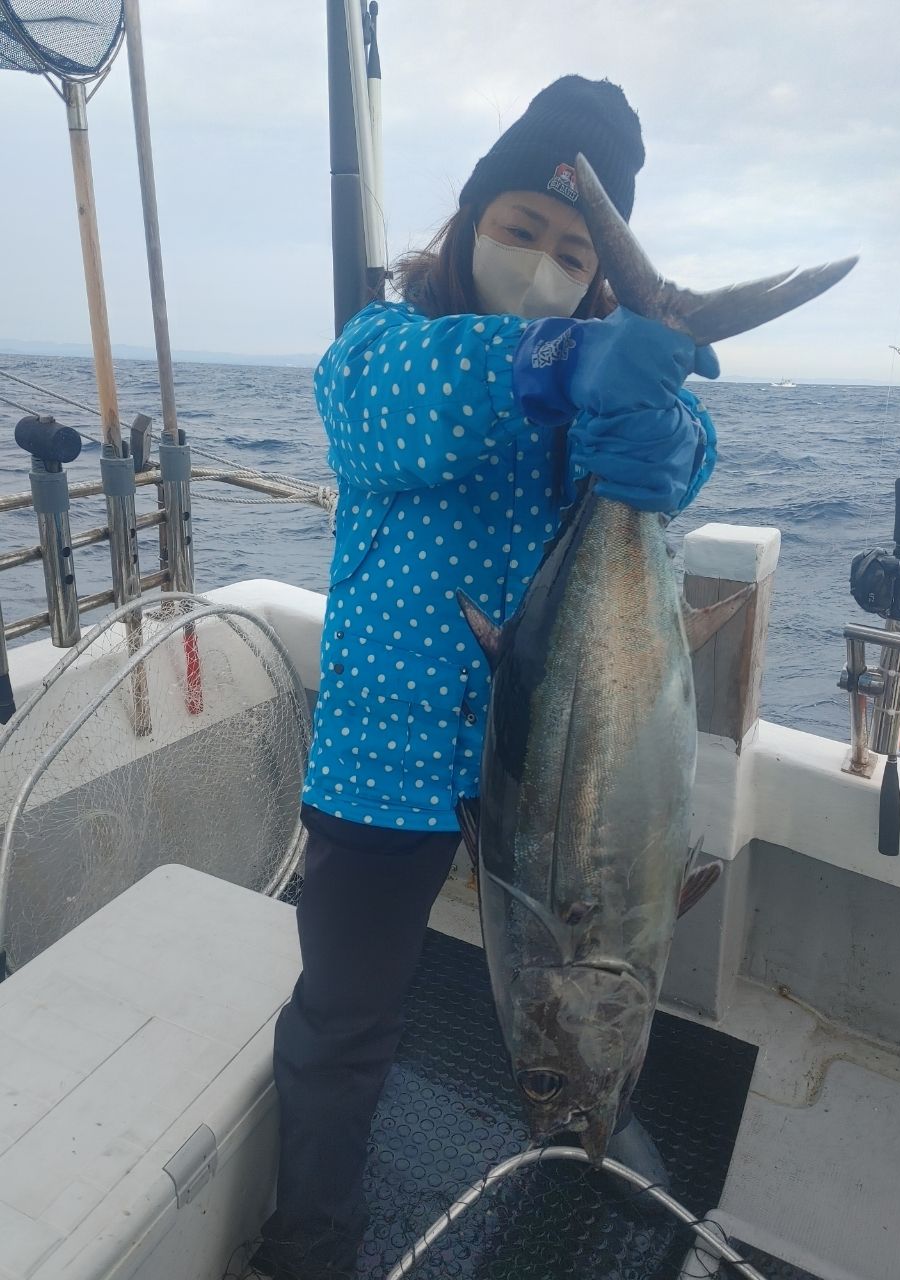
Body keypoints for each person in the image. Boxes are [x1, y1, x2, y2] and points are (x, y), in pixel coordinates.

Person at [250, 75, 719, 1280]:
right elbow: (383, 414)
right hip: (389, 757)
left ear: (603, 276)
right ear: (466, 228)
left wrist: (674, 436)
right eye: (523, 228)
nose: (546, 262)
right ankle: (311, 1241)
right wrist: (564, 359)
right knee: (345, 1017)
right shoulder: (385, 351)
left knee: (592, 963)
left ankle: (593, 1098)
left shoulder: (592, 396)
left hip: (562, 770)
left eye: (576, 251)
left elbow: (686, 444)